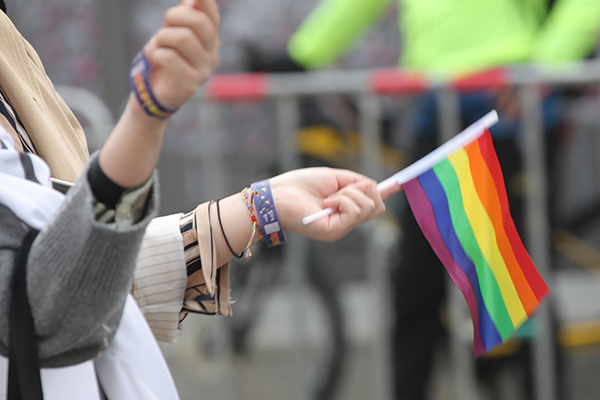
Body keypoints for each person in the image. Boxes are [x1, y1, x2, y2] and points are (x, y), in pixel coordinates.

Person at [0, 0, 400, 398]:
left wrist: (263, 206)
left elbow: (102, 274)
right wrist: (145, 119)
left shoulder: (10, 45)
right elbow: (52, 303)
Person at [286, 1, 600, 399]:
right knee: (416, 285)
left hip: (509, 108)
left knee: (513, 279)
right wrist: (304, 53)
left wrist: (546, 63)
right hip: (437, 106)